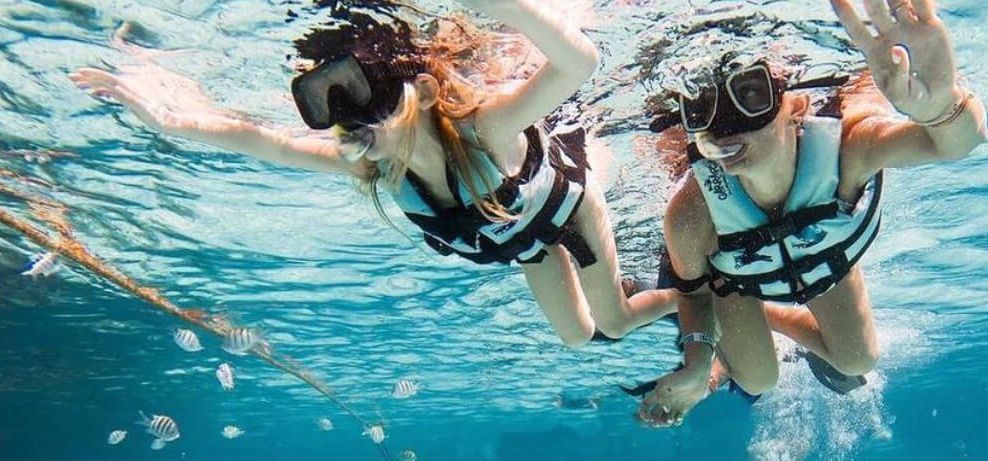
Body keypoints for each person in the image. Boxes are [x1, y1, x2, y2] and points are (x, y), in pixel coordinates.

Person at [71, 0, 678, 347]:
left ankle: (688, 296)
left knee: (615, 321)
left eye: (350, 90)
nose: (340, 117)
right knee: (579, 339)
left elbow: (580, 61)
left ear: (409, 89)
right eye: (319, 102)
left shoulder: (483, 128)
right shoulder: (378, 169)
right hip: (524, 242)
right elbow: (262, 142)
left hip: (568, 212)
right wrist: (171, 119)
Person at [636, 0, 988, 427]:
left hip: (820, 252)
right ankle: (751, 335)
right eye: (702, 108)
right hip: (732, 282)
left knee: (859, 359)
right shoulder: (691, 214)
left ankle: (774, 318)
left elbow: (957, 143)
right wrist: (698, 363)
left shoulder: (849, 151)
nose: (727, 125)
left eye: (751, 94)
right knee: (759, 378)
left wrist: (942, 105)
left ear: (797, 107)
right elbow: (691, 294)